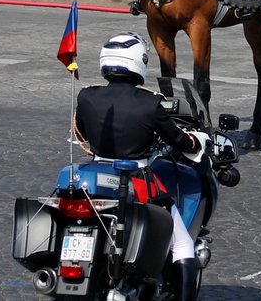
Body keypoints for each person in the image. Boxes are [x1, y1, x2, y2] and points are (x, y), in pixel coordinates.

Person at [73, 32, 207, 301]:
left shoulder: (86, 96)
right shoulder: (150, 103)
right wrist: (195, 142)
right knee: (182, 245)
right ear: (138, 62)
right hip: (137, 179)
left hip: (95, 174)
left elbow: (82, 133)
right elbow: (179, 140)